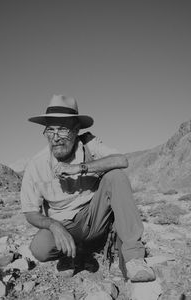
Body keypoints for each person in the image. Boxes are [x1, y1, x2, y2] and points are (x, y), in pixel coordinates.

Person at [21, 94, 155, 282]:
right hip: (64, 224)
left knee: (115, 176)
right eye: (50, 131)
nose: (55, 138)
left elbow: (121, 160)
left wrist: (80, 168)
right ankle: (72, 255)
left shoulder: (89, 145)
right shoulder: (36, 165)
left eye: (62, 130)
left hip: (96, 216)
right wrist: (54, 225)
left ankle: (134, 258)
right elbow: (30, 213)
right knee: (39, 248)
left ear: (76, 130)